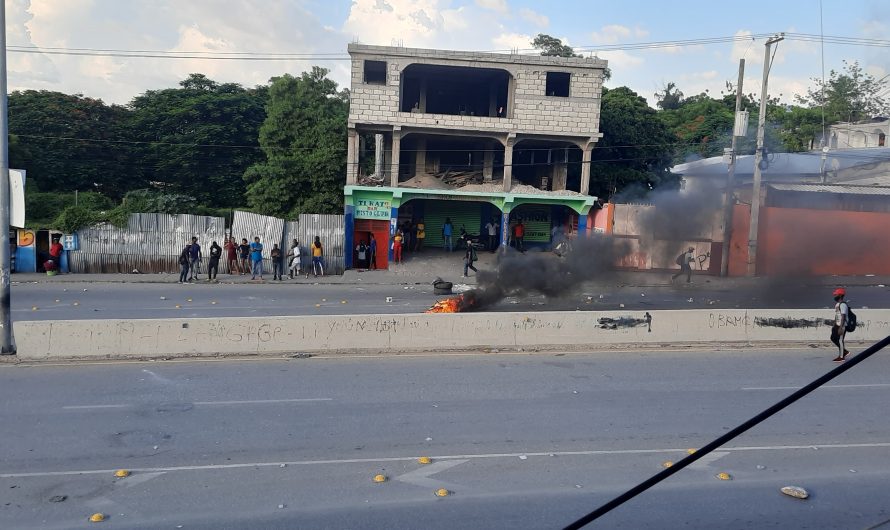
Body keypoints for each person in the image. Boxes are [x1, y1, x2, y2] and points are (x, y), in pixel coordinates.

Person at [830, 288, 851, 362]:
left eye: (836, 294)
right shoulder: (837, 304)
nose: (835, 296)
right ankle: (845, 351)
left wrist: (841, 327)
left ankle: (841, 357)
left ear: (840, 295)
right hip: (837, 324)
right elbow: (837, 315)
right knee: (833, 338)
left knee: (840, 340)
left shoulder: (843, 305)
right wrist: (835, 324)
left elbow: (843, 316)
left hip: (842, 325)